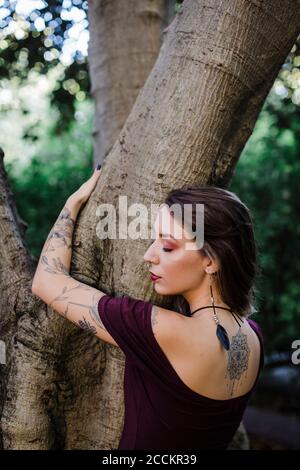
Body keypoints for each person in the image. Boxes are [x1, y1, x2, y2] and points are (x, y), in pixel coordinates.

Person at [31, 166, 264, 450]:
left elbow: (46, 281)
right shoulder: (254, 337)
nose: (148, 255)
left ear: (211, 261)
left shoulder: (161, 330)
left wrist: (73, 203)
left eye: (167, 247)